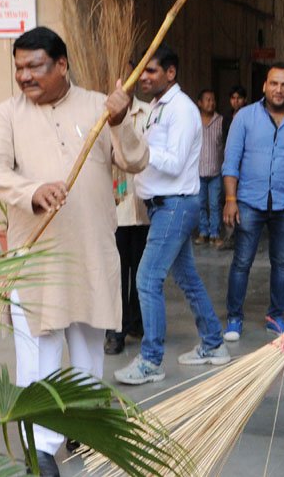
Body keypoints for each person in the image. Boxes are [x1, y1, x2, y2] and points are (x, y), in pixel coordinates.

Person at [0, 26, 144, 475]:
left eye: (35, 66)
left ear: (62, 64)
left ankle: (84, 425)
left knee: (88, 351)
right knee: (39, 350)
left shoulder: (97, 106)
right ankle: (42, 445)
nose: (25, 76)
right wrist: (30, 191)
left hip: (91, 251)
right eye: (19, 67)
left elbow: (135, 160)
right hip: (35, 255)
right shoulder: (7, 114)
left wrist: (119, 121)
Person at [114, 44, 229, 386]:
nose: (143, 77)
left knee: (147, 279)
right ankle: (213, 344)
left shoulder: (181, 109)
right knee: (187, 278)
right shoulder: (155, 108)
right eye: (141, 71)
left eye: (151, 71)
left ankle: (151, 361)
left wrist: (139, 153)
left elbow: (175, 161)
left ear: (170, 73)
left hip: (175, 205)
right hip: (164, 205)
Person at [221, 62, 284, 341]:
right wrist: (230, 199)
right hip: (249, 200)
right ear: (264, 85)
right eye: (274, 83)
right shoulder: (244, 118)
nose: (279, 89)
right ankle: (234, 318)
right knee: (242, 261)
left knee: (282, 263)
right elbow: (231, 163)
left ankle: (275, 317)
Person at [105, 96, 152, 356]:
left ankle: (136, 321)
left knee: (140, 268)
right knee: (116, 273)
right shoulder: (97, 111)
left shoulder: (147, 112)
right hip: (114, 208)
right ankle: (115, 330)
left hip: (144, 204)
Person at [218, 85, 248, 251]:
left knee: (243, 201)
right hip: (231, 165)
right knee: (228, 199)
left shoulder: (250, 116)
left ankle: (243, 237)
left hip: (246, 166)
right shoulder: (227, 118)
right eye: (233, 98)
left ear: (244, 100)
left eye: (239, 98)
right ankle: (229, 236)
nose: (236, 101)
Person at [194, 88, 224, 247]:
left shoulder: (220, 120)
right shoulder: (193, 121)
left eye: (213, 100)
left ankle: (215, 233)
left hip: (215, 171)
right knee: (200, 204)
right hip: (197, 171)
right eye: (207, 99)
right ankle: (203, 232)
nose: (211, 103)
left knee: (214, 204)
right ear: (200, 103)